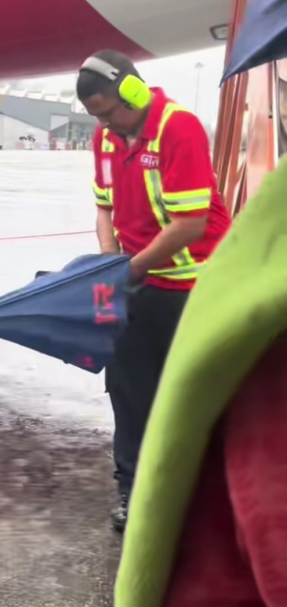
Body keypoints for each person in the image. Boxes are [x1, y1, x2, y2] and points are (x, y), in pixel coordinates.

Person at [76, 50, 231, 532]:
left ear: (134, 92)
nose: (104, 123)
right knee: (127, 390)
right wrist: (108, 263)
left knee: (189, 393)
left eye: (108, 111)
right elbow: (104, 208)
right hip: (135, 280)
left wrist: (131, 270)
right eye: (96, 116)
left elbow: (190, 224)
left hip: (192, 285)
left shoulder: (177, 128)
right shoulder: (105, 138)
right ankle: (133, 489)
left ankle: (202, 491)